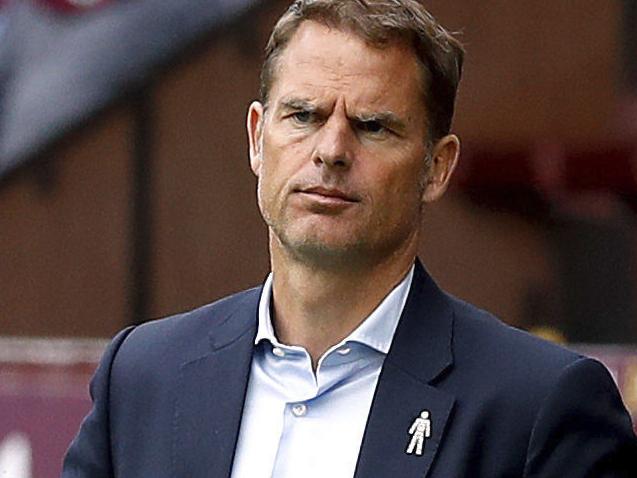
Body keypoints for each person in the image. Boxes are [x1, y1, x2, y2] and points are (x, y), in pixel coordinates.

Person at [62, 1, 637, 477]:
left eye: (372, 126)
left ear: (437, 167)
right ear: (258, 139)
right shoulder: (140, 378)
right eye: (304, 115)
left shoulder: (540, 406)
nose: (331, 150)